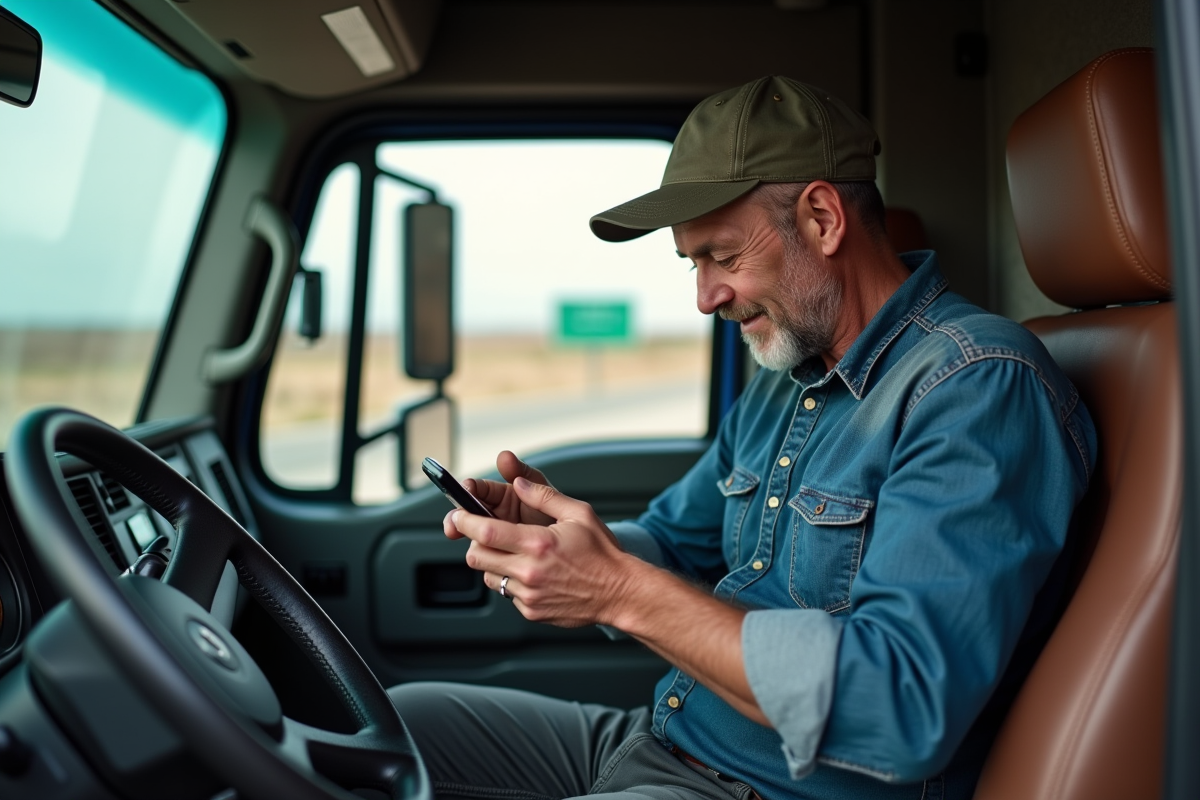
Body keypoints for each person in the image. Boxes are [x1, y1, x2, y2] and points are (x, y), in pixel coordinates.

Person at [389, 75, 1096, 800]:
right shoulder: (784, 379)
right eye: (692, 263)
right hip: (667, 739)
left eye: (722, 257)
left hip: (774, 788)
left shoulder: (975, 386)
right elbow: (671, 545)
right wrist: (564, 544)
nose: (704, 298)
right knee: (394, 726)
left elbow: (901, 704)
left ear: (822, 218)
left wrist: (614, 590)